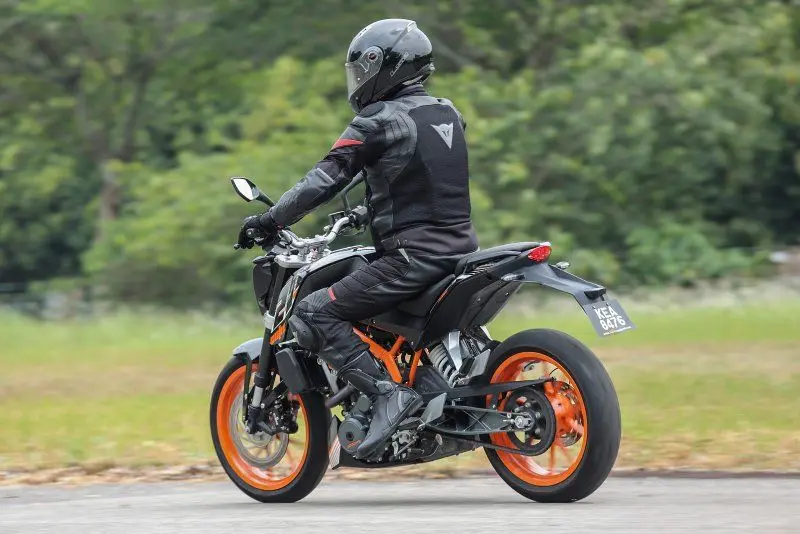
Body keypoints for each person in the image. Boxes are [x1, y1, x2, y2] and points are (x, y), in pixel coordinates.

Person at [237, 18, 477, 459]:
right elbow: (426, 182)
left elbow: (322, 180)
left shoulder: (376, 120)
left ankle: (388, 395)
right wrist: (368, 210)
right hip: (462, 253)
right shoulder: (447, 112)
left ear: (384, 66)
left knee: (312, 313)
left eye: (362, 70)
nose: (359, 80)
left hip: (411, 259)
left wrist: (269, 220)